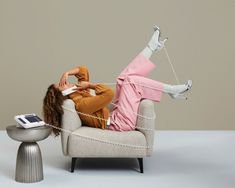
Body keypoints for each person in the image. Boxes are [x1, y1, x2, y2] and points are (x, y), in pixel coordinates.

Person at [43, 26, 192, 136]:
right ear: (61, 95)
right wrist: (90, 85)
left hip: (117, 116)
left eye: (62, 80)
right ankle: (171, 90)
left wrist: (67, 72)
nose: (65, 82)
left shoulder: (79, 94)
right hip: (120, 123)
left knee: (123, 78)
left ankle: (152, 47)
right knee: (131, 81)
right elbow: (108, 94)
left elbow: (83, 70)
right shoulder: (81, 104)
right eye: (62, 85)